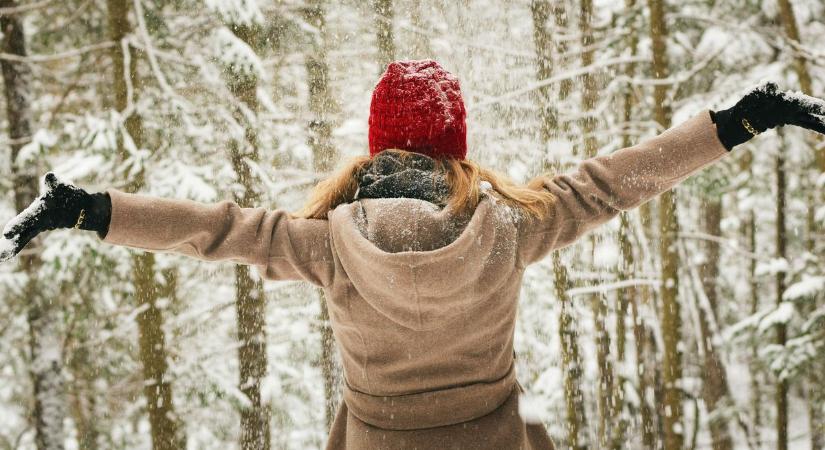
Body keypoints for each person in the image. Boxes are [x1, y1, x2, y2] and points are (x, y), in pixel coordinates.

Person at [2, 59, 824, 449]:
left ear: (373, 151)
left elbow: (215, 229)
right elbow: (614, 183)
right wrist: (737, 121)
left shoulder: (327, 245)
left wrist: (91, 210)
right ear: (455, 150)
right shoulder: (511, 225)